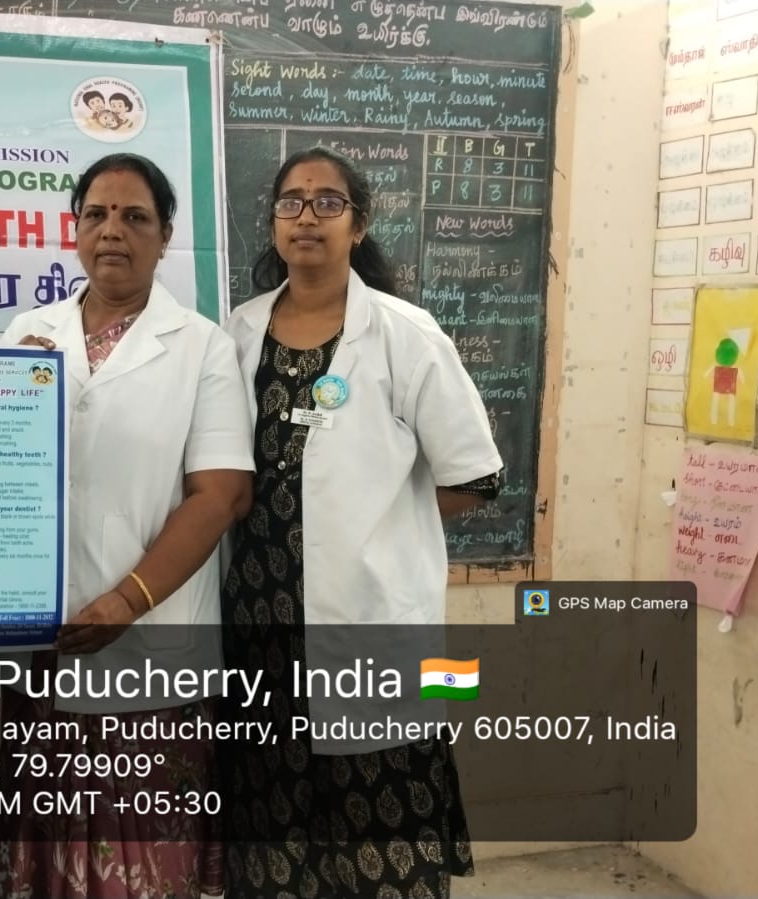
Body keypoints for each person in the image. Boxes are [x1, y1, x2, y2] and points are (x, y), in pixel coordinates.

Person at [218, 146, 504, 898]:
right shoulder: (239, 332)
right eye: (290, 202)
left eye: (327, 202)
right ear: (273, 222)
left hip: (369, 619)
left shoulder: (406, 334)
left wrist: (381, 523)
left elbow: (476, 477)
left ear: (359, 223)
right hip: (259, 627)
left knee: (381, 838)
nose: (306, 217)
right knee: (273, 837)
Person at [0, 153, 254, 899]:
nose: (112, 231)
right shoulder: (26, 333)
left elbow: (220, 495)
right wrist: (7, 397)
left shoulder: (202, 346)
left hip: (153, 648)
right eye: (96, 214)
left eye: (135, 217)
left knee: (141, 865)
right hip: (41, 642)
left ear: (165, 237)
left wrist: (127, 599)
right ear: (74, 229)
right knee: (46, 856)